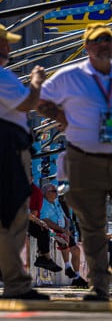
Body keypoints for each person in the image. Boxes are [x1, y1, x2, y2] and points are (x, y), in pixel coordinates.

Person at [38, 23, 112, 302]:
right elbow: (40, 99)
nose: (104, 44)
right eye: (97, 40)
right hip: (85, 159)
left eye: (108, 39)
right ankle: (101, 285)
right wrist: (62, 117)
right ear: (87, 47)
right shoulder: (70, 75)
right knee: (93, 225)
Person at [0, 25, 48, 301]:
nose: (7, 48)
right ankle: (16, 284)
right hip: (7, 150)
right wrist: (36, 80)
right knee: (14, 216)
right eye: (3, 43)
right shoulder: (3, 76)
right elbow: (26, 103)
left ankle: (15, 281)